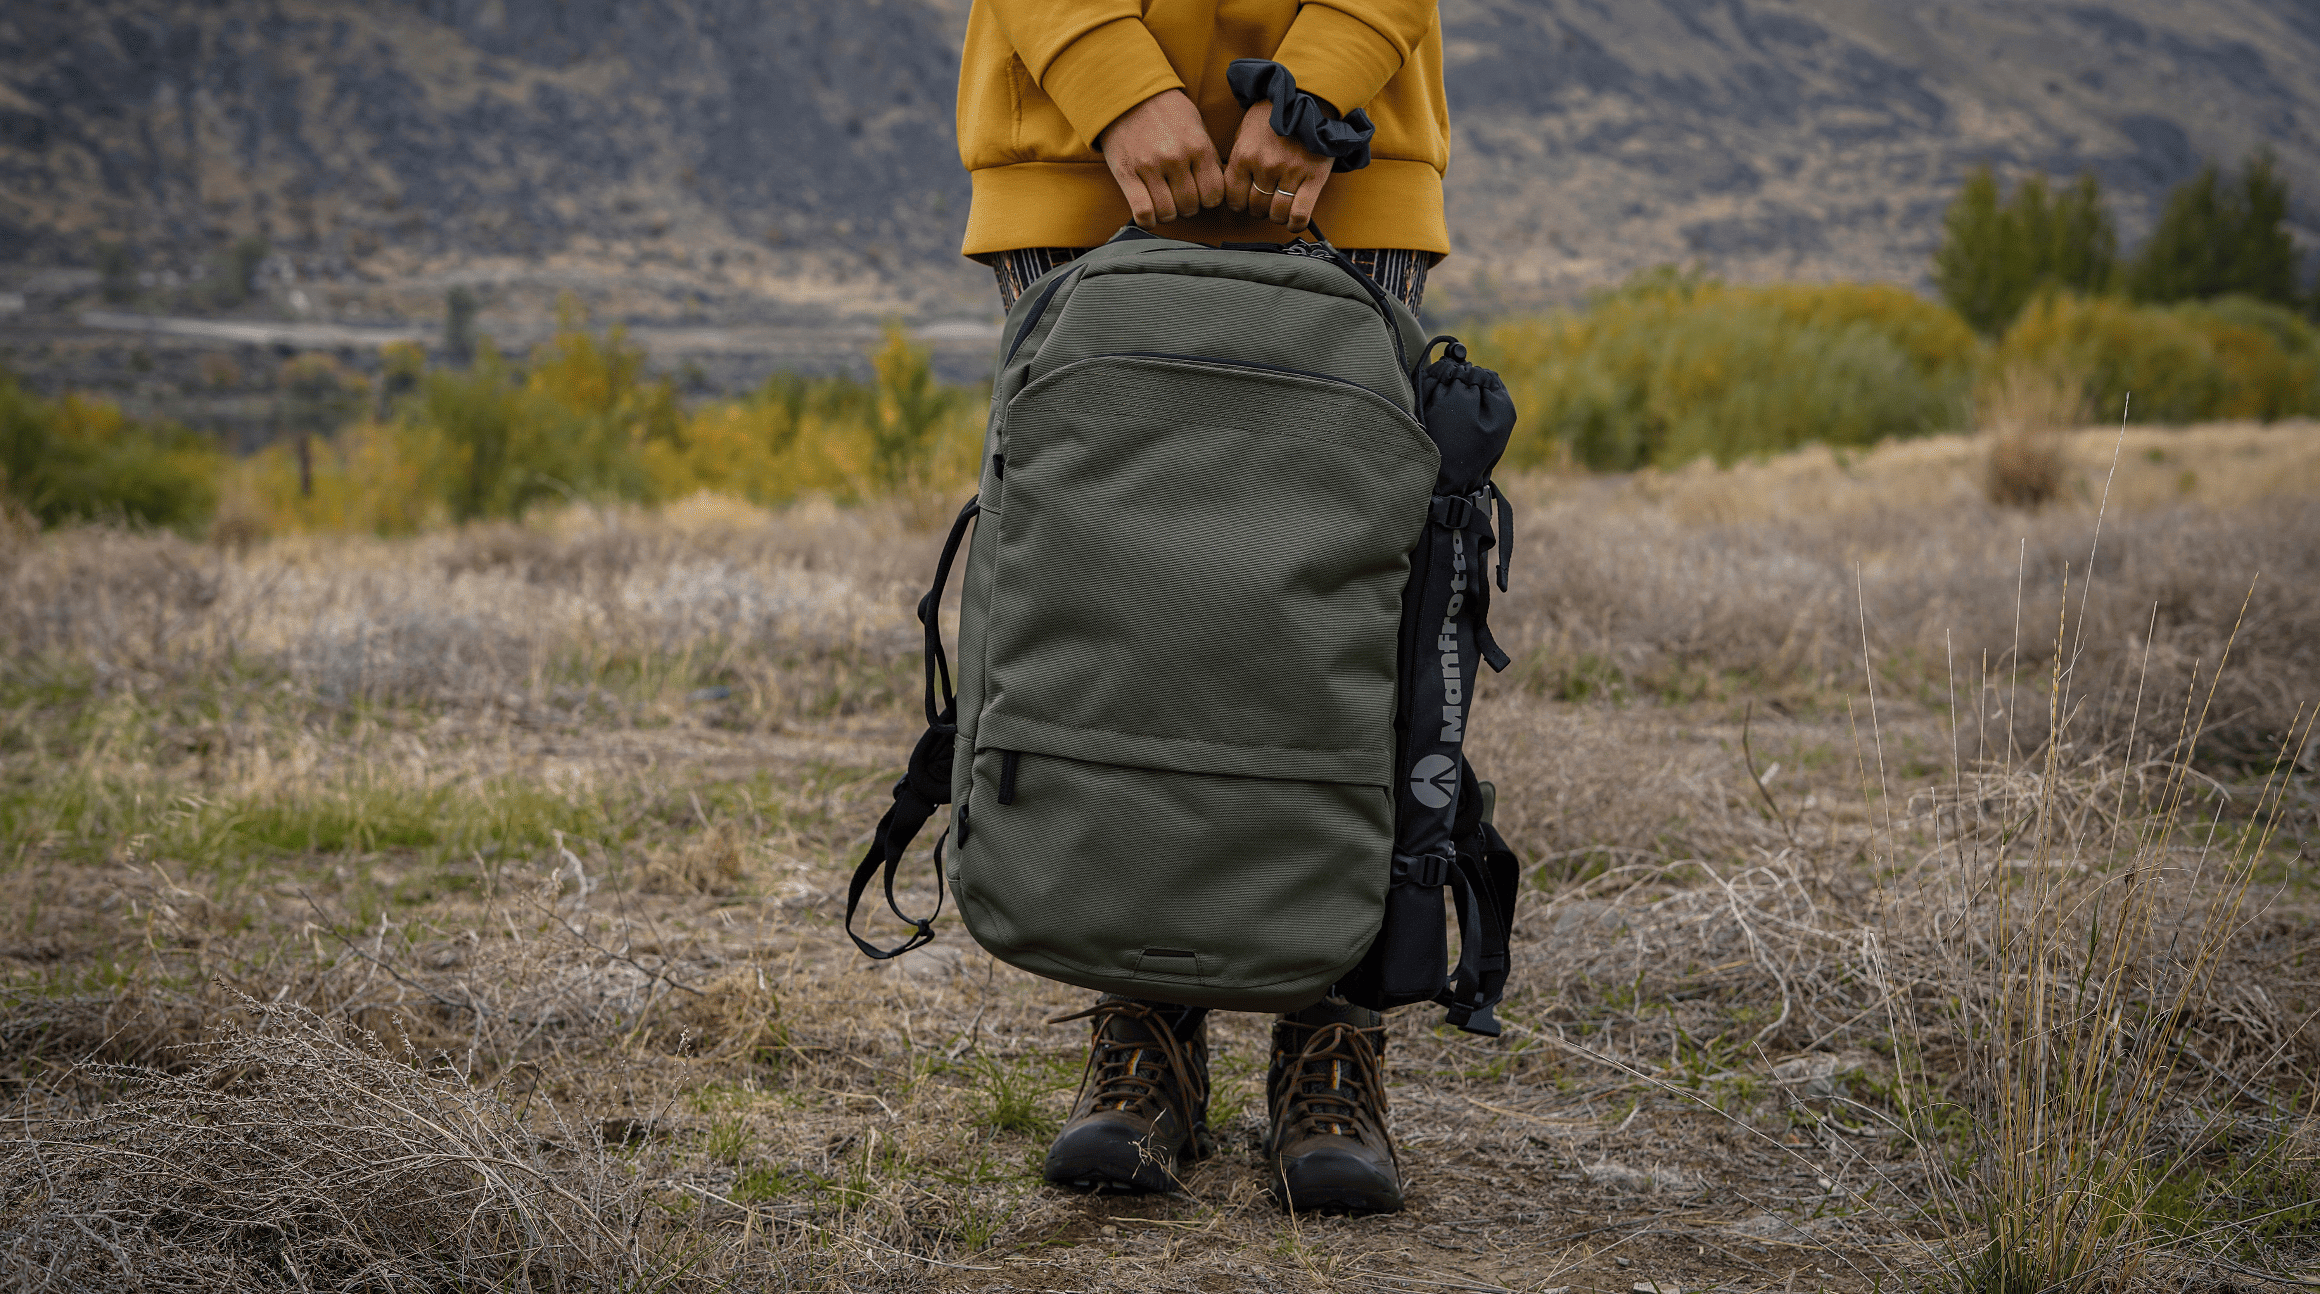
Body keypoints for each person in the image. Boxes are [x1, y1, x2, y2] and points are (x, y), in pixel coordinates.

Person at [953, 0, 1450, 1215]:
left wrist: (1321, 87)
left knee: (1326, 622)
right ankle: (1142, 1037)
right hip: (1076, 149)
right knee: (1121, 626)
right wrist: (1109, 81)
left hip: (1343, 156)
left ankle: (1333, 1039)